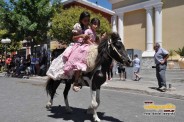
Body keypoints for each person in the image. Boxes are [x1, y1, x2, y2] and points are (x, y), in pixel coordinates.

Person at [47, 11, 91, 81]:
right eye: (85, 20)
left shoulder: (89, 28)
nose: (87, 22)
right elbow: (73, 38)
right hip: (77, 44)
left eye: (88, 20)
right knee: (71, 58)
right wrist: (81, 35)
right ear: (81, 20)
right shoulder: (78, 26)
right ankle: (74, 78)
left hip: (86, 45)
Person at [63, 18, 100, 92]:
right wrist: (93, 45)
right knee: (79, 63)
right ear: (91, 24)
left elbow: (94, 41)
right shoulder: (88, 31)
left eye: (97, 25)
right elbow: (86, 39)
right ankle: (76, 81)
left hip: (91, 47)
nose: (95, 26)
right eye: (94, 24)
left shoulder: (95, 33)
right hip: (85, 47)